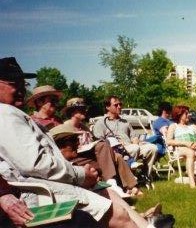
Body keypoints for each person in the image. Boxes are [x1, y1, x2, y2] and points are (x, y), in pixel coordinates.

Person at [0, 57, 149, 227]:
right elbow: (36, 164)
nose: (21, 89)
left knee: (107, 190)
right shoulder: (5, 114)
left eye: (23, 83)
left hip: (54, 179)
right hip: (41, 191)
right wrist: (80, 174)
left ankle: (148, 224)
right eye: (14, 83)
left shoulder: (13, 113)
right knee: (120, 215)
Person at [62, 97, 139, 197]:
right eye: (81, 109)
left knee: (118, 156)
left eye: (84, 108)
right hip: (78, 158)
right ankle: (112, 185)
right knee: (103, 146)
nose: (84, 111)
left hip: (90, 155)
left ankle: (131, 187)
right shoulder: (65, 127)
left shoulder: (84, 127)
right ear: (72, 112)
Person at [92, 95, 158, 178]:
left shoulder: (125, 121)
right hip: (117, 150)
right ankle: (128, 177)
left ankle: (146, 175)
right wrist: (115, 144)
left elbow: (133, 136)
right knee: (134, 148)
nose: (119, 107)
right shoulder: (101, 123)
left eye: (120, 104)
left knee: (152, 148)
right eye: (116, 105)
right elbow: (99, 142)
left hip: (131, 146)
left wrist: (137, 142)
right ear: (107, 107)